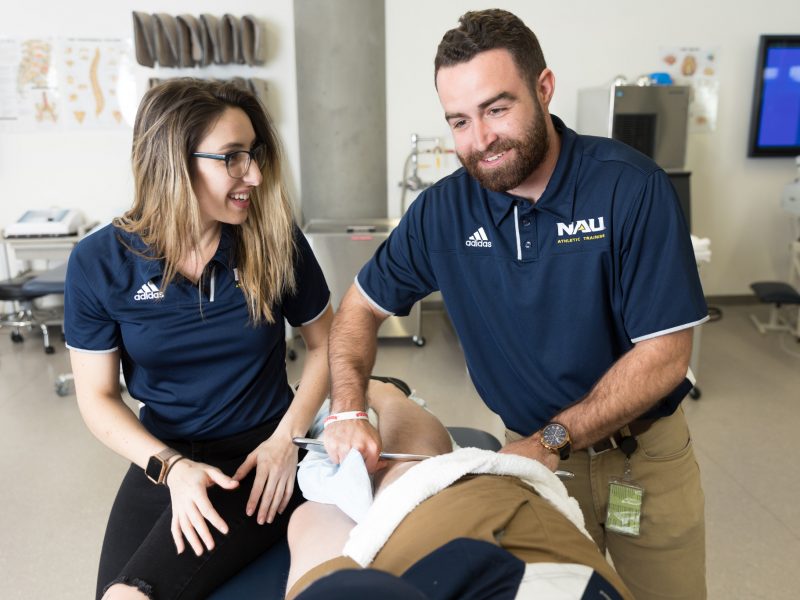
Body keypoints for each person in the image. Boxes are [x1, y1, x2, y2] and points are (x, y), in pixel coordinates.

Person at [324, 9, 708, 600]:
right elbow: (358, 310)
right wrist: (349, 408)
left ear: (544, 88)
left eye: (496, 109)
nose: (479, 140)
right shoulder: (442, 213)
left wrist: (554, 437)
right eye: (459, 120)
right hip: (528, 458)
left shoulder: (628, 188)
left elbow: (665, 353)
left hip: (641, 460)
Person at [64, 78, 333, 600]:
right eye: (232, 158)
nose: (253, 174)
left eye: (253, 154)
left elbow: (328, 345)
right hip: (165, 457)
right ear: (173, 162)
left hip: (261, 458)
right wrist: (172, 468)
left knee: (133, 595)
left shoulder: (273, 240)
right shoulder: (99, 263)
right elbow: (96, 397)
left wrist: (287, 440)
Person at [287, 381, 633, 600]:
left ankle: (385, 395)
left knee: (312, 518)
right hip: (504, 528)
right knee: (411, 472)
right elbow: (363, 307)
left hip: (447, 548)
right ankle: (386, 393)